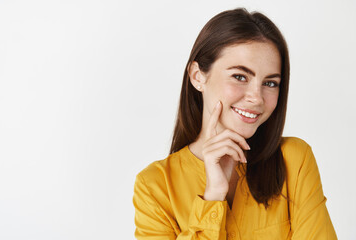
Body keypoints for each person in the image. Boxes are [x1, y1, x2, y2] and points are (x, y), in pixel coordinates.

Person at [133, 8, 337, 239]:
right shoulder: (154, 187)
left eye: (270, 83)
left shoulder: (294, 160)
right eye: (240, 77)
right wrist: (213, 196)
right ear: (197, 77)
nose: (257, 98)